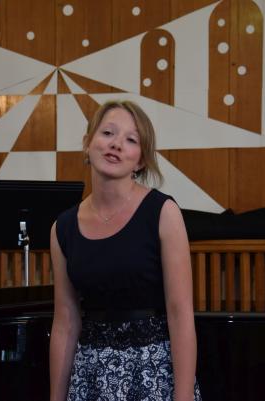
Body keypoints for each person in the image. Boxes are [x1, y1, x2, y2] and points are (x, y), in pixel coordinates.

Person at [49, 100, 201, 401]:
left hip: (152, 374)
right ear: (88, 143)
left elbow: (180, 314)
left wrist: (183, 396)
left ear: (141, 160)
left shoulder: (163, 212)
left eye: (131, 139)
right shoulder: (62, 228)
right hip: (90, 376)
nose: (116, 144)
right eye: (107, 133)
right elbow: (65, 322)